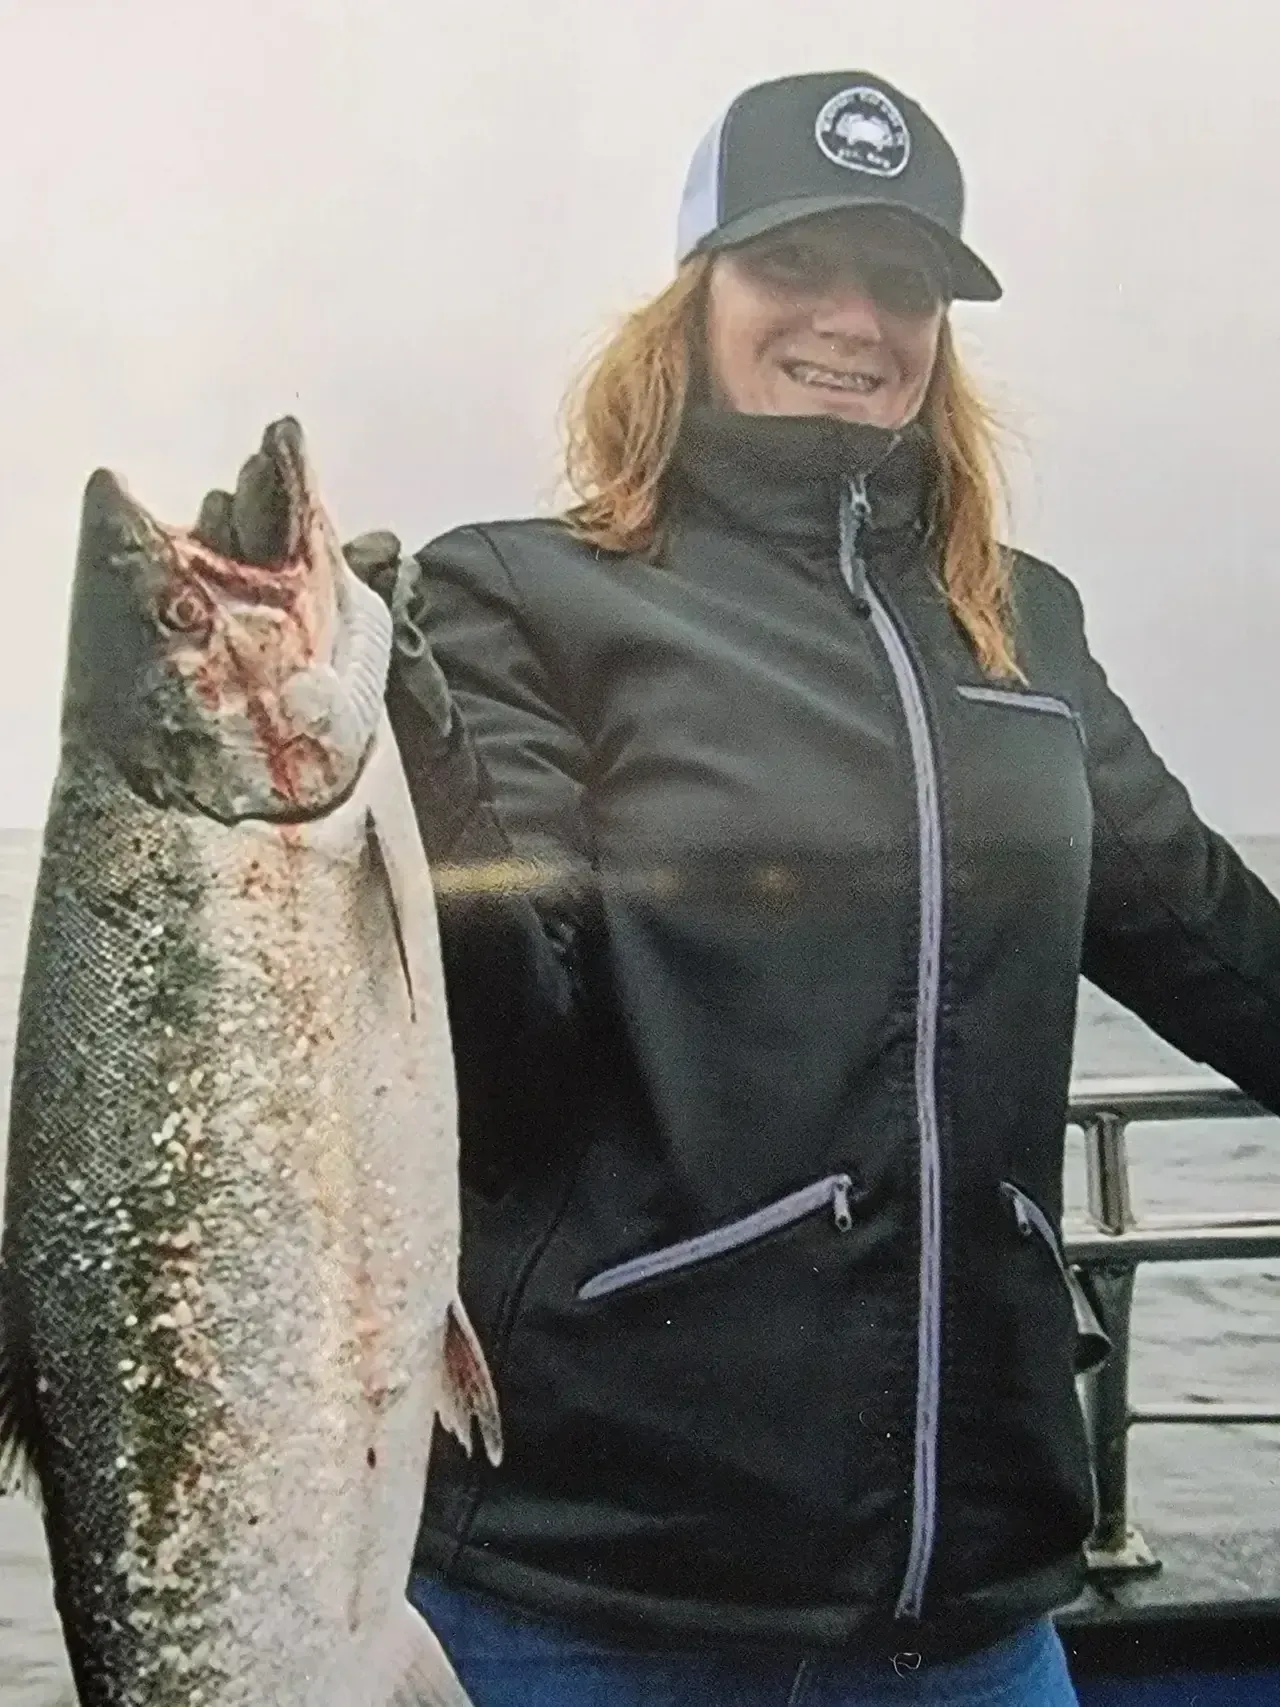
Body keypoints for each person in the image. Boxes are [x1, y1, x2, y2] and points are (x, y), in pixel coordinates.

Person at [345, 69, 1280, 1706]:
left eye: (903, 279)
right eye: (796, 265)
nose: (854, 318)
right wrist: (413, 750)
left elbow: (1214, 938)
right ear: (694, 297)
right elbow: (502, 1053)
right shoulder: (523, 593)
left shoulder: (1024, 629)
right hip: (596, 1591)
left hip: (975, 1604)